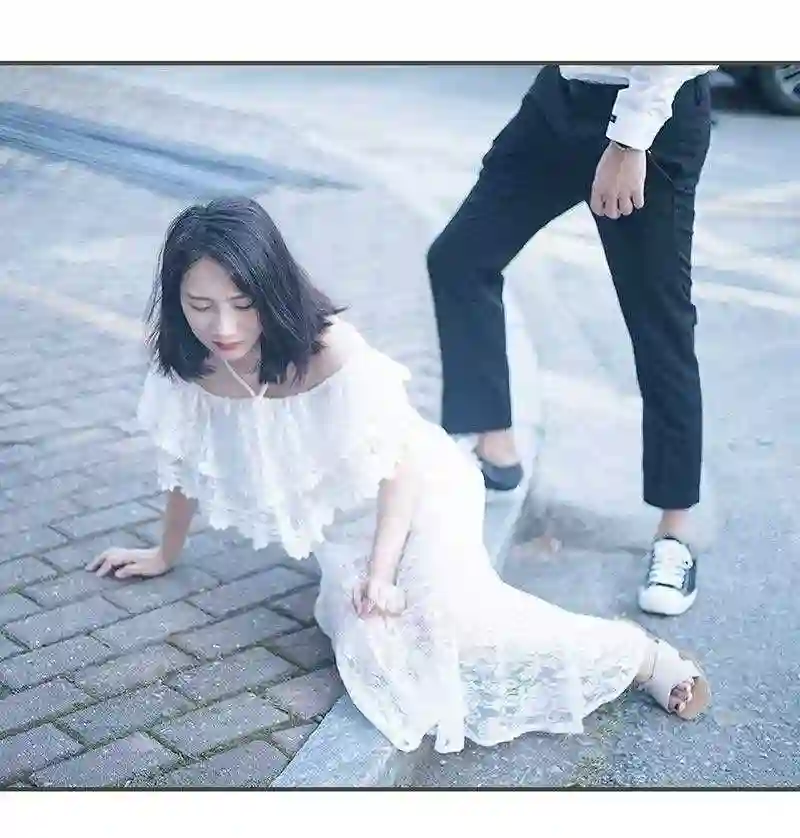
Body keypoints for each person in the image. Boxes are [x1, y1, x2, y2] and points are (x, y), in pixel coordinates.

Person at [89, 194, 710, 759]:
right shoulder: (188, 367)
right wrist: (164, 552)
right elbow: (185, 462)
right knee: (378, 651)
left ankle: (640, 656)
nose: (223, 328)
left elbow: (402, 466)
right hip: (348, 535)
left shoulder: (330, 350)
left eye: (242, 305)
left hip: (421, 493)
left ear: (271, 290)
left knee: (460, 624)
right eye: (201, 306)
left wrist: (382, 574)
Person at [427, 65, 716, 617]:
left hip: (648, 113)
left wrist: (629, 142)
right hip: (559, 99)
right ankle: (495, 449)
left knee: (659, 325)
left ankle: (675, 532)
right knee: (459, 257)